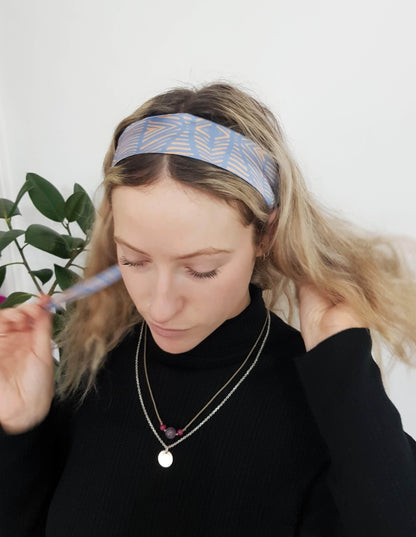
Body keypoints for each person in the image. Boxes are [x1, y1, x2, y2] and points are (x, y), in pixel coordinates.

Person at [0, 82, 415, 537]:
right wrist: (21, 431)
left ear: (266, 235)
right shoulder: (94, 371)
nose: (160, 307)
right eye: (134, 260)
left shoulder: (327, 407)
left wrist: (344, 367)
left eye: (201, 269)